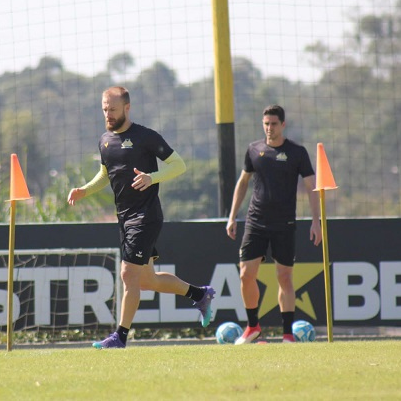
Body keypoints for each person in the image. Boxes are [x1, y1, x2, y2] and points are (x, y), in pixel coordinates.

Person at [68, 86, 215, 349]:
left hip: (145, 216)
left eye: (112, 109)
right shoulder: (104, 140)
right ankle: (200, 294)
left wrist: (152, 178)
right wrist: (84, 190)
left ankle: (120, 337)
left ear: (127, 107)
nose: (107, 114)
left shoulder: (146, 136)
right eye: (104, 109)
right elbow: (105, 174)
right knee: (147, 280)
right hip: (124, 218)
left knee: (128, 274)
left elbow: (178, 165)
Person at [225, 105, 321, 344]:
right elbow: (243, 182)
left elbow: (312, 187)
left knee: (285, 278)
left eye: (274, 124)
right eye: (266, 123)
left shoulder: (297, 152)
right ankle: (253, 327)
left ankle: (287, 334)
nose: (269, 128)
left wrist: (316, 221)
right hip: (255, 222)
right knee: (246, 275)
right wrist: (232, 216)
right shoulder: (254, 149)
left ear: (283, 125)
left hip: (285, 224)